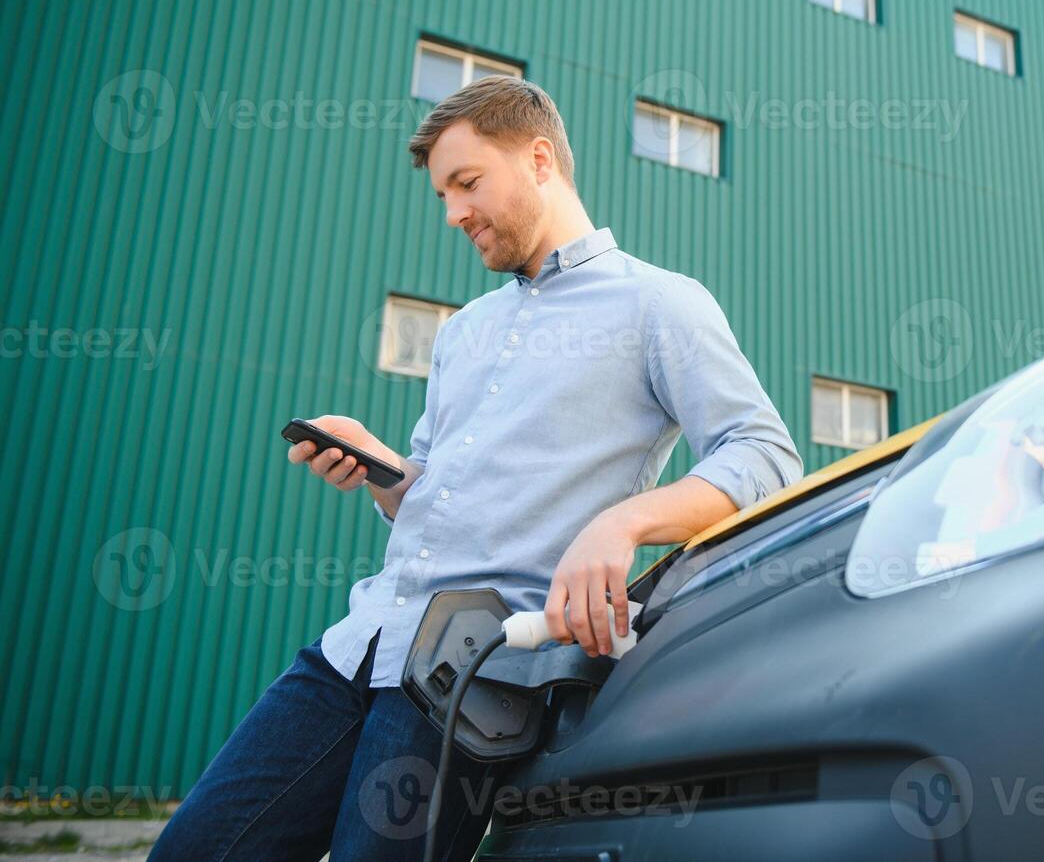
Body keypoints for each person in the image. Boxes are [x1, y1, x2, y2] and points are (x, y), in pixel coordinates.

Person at [152, 76, 802, 861]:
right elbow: (426, 493)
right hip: (360, 641)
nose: (453, 212)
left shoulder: (658, 304)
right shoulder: (464, 330)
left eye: (466, 183)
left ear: (537, 160)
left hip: (470, 669)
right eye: (442, 195)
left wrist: (622, 522)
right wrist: (380, 466)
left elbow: (764, 455)